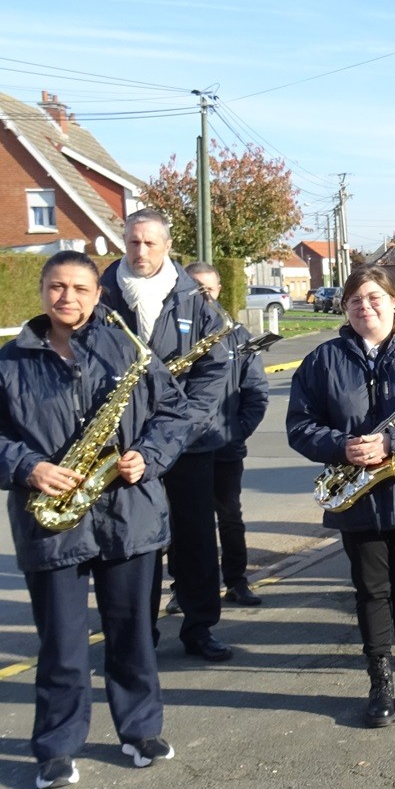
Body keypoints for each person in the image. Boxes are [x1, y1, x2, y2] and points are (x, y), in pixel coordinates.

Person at [0, 251, 196, 789]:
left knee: (133, 634)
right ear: (42, 291)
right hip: (52, 521)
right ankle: (57, 746)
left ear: (98, 295)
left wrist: (149, 456)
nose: (68, 298)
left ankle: (140, 730)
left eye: (80, 289)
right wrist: (28, 467)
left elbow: (174, 413)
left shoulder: (129, 350)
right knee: (62, 646)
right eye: (57, 287)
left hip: (126, 514)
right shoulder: (4, 366)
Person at [286, 268, 395, 726]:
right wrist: (340, 446)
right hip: (356, 495)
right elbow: (300, 426)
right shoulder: (323, 360)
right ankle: (379, 680)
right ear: (345, 308)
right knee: (370, 592)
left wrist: (393, 442)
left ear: (392, 300)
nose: (365, 307)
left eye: (373, 297)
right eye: (354, 301)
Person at [98, 209, 235, 662]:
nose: (140, 252)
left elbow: (212, 374)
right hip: (122, 446)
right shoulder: (98, 294)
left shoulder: (195, 299)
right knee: (134, 544)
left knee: (194, 538)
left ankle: (200, 628)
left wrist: (175, 431)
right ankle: (140, 638)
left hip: (186, 443)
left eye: (149, 244)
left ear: (167, 245)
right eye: (133, 242)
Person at [187, 263, 271, 606]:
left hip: (225, 446)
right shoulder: (173, 334)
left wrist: (237, 432)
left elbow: (256, 392)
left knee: (230, 518)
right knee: (188, 523)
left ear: (220, 289)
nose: (204, 296)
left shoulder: (237, 335)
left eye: (209, 289)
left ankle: (236, 581)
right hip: (182, 450)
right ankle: (186, 588)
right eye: (196, 289)